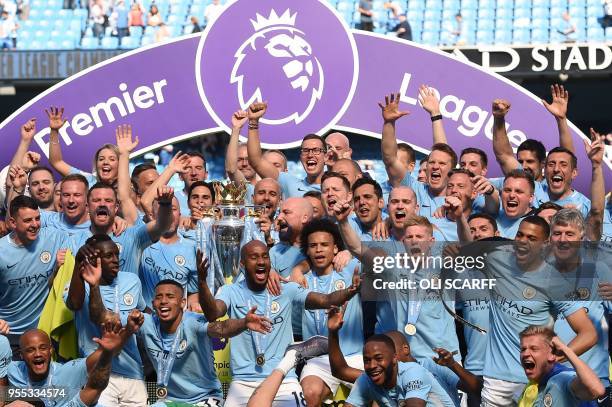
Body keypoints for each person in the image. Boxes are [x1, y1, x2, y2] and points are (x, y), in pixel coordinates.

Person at [197, 240, 360, 405]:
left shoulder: (286, 290)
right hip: (243, 382)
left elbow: (326, 299)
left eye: (265, 257)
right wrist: (202, 283)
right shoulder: (230, 291)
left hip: (284, 380)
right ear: (242, 263)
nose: (261, 261)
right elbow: (213, 313)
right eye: (254, 257)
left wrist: (350, 290)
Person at [125, 279, 272, 406]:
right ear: (153, 303)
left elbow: (221, 328)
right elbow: (108, 317)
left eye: (170, 296)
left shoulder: (193, 322)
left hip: (205, 398)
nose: (163, 301)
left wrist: (244, 322)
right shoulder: (144, 322)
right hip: (168, 400)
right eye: (159, 297)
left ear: (183, 302)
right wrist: (126, 322)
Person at [66, 234, 149, 406]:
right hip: (99, 375)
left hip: (133, 372)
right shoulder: (79, 285)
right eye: (108, 256)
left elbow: (143, 311)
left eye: (116, 254)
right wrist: (83, 272)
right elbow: (84, 309)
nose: (115, 260)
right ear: (93, 259)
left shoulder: (132, 280)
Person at [296, 219, 364, 405]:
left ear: (335, 248)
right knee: (310, 393)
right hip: (319, 360)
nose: (319, 250)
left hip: (355, 356)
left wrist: (350, 252)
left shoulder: (349, 269)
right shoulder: (301, 280)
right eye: (313, 246)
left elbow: (374, 255)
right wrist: (296, 269)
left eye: (325, 245)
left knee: (377, 393)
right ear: (307, 251)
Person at [5, 319, 131, 407]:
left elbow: (95, 382)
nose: (38, 354)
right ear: (21, 355)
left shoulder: (67, 372)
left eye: (43, 348)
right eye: (30, 350)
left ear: (51, 350)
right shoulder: (13, 371)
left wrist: (106, 351)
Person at [0, 195, 68, 357]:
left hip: (44, 334)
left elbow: (84, 227)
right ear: (12, 223)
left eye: (37, 218)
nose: (35, 225)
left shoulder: (55, 238)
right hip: (9, 335)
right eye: (28, 220)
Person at [380, 89, 453, 219]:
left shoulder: (458, 197)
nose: (435, 166)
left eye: (442, 164)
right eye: (431, 162)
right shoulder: (412, 188)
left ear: (452, 170)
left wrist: (435, 114)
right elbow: (390, 159)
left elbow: (443, 153)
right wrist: (389, 123)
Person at [344, 334, 456, 406]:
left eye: (378, 358)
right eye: (367, 360)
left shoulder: (413, 372)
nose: (372, 365)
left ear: (394, 358)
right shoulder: (365, 380)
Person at [247, 102, 325, 198]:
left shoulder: (335, 188)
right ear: (300, 158)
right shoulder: (288, 183)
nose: (310, 154)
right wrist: (253, 121)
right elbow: (256, 161)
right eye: (305, 150)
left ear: (326, 157)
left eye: (316, 150)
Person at [517, 326, 605, 405]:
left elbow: (597, 390)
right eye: (523, 349)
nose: (525, 354)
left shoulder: (563, 379)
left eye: (534, 349)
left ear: (552, 355)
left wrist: (565, 349)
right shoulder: (534, 385)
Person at [47, 107, 120, 187]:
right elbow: (56, 162)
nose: (105, 162)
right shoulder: (88, 180)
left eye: (112, 159)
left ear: (120, 164)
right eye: (101, 159)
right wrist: (54, 131)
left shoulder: (128, 186)